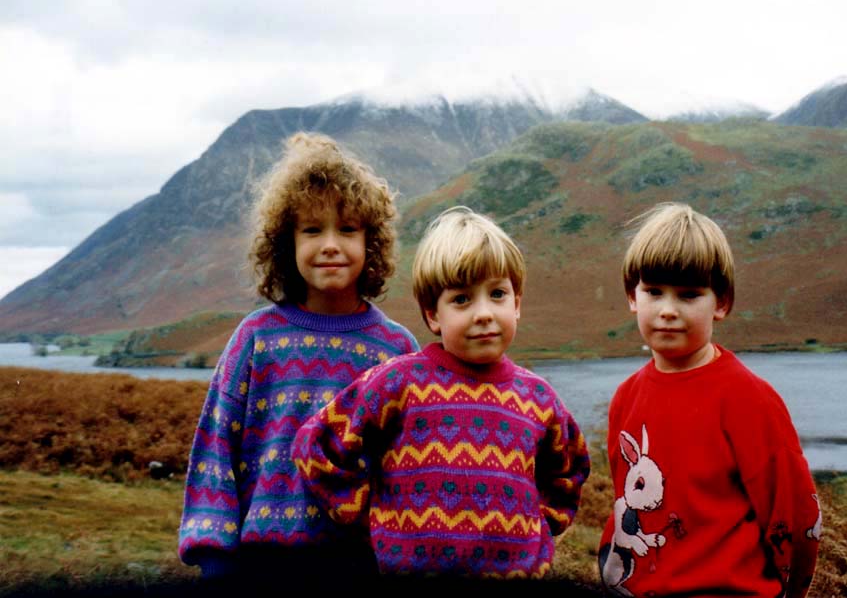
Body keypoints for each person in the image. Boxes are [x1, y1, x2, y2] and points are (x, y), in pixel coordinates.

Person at [292, 205, 591, 579]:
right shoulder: (397, 382)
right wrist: (372, 517)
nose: (483, 313)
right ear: (433, 314)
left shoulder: (539, 398)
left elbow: (571, 470)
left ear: (516, 305)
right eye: (462, 299)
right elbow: (316, 446)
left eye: (497, 294)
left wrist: (540, 527)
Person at [177, 133, 419, 584]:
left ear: (372, 242)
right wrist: (214, 556)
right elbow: (215, 448)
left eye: (347, 229)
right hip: (260, 567)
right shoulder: (255, 338)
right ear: (286, 242)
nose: (330, 244)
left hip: (361, 567)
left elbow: (409, 466)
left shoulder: (397, 350)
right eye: (312, 229)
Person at [597, 202, 820, 597]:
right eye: (653, 292)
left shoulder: (749, 400)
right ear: (633, 296)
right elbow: (624, 501)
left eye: (688, 295)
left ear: (721, 303)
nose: (667, 310)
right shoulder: (625, 397)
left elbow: (796, 516)